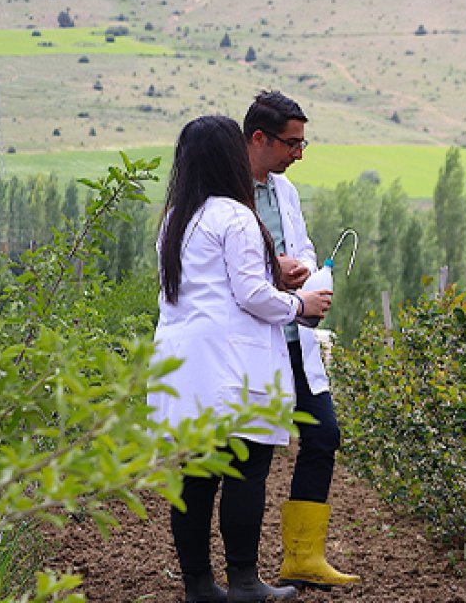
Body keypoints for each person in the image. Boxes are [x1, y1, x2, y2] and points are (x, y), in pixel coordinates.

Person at [149, 115, 331, 602]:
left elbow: (214, 285)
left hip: (184, 367)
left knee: (196, 476)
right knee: (246, 468)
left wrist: (273, 273)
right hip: (231, 365)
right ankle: (245, 581)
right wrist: (299, 305)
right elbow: (250, 294)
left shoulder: (176, 218)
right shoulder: (235, 215)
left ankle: (199, 585)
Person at [242, 90, 360, 589]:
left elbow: (301, 243)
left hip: (296, 334)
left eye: (304, 143)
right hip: (256, 339)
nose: (299, 153)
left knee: (322, 433)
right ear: (259, 138)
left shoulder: (285, 192)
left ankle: (304, 556)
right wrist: (276, 272)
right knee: (253, 452)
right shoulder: (227, 193)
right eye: (292, 143)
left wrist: (308, 271)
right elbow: (237, 272)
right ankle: (240, 571)